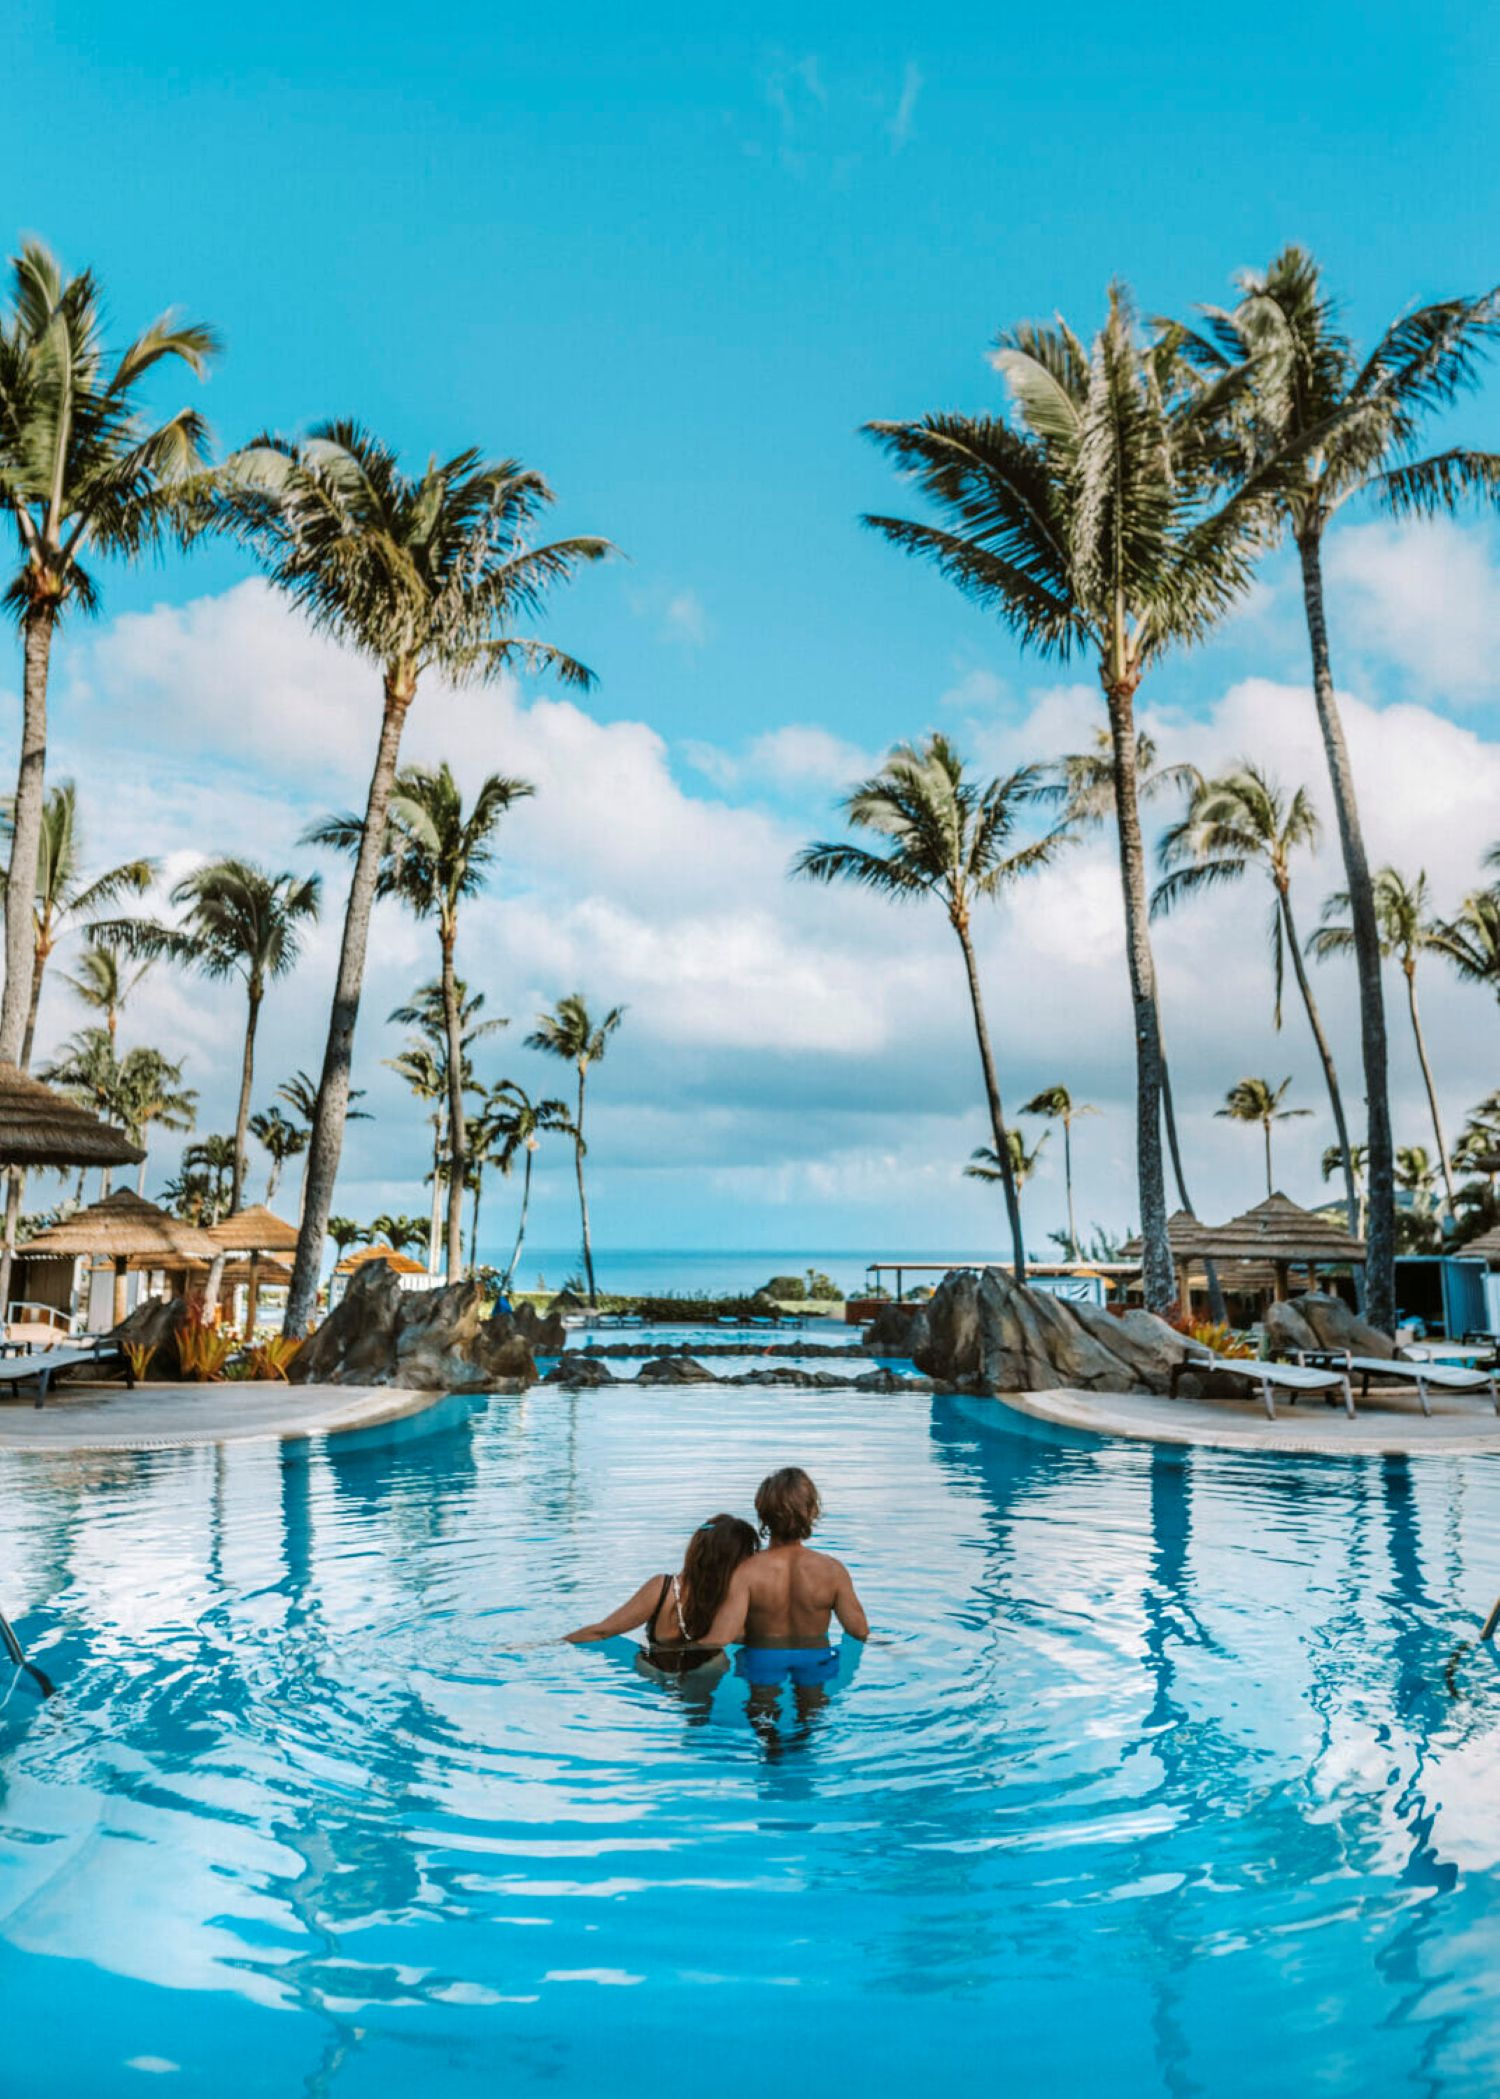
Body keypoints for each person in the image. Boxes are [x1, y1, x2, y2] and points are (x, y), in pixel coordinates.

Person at [704, 1467, 868, 1692]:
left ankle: (765, 1724)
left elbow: (721, 1637)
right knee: (812, 1715)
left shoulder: (748, 1572)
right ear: (811, 1511)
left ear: (763, 1515)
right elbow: (858, 1630)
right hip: (815, 1658)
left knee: (762, 1713)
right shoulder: (832, 1571)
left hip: (762, 1659)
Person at [566, 1513, 759, 1676]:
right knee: (706, 1694)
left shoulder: (664, 1589)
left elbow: (602, 1631)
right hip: (709, 1668)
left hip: (653, 1667)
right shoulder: (737, 1600)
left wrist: (552, 1644)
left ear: (697, 1549)